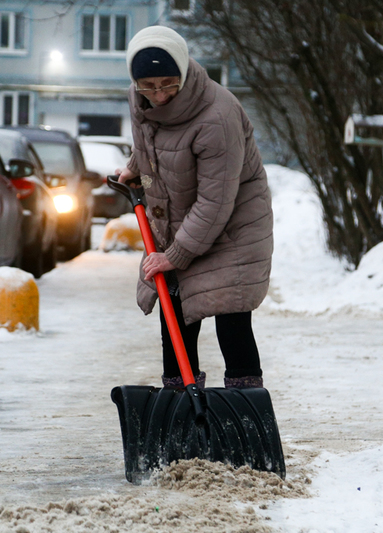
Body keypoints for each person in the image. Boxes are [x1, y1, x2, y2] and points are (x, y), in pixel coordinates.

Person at [115, 26, 273, 390]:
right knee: (174, 311)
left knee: (230, 314)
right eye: (148, 86)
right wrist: (135, 166)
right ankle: (181, 402)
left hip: (232, 228)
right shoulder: (139, 99)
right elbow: (149, 140)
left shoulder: (217, 116)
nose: (159, 95)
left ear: (183, 74)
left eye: (168, 84)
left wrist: (175, 255)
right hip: (180, 220)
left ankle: (244, 406)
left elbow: (215, 202)